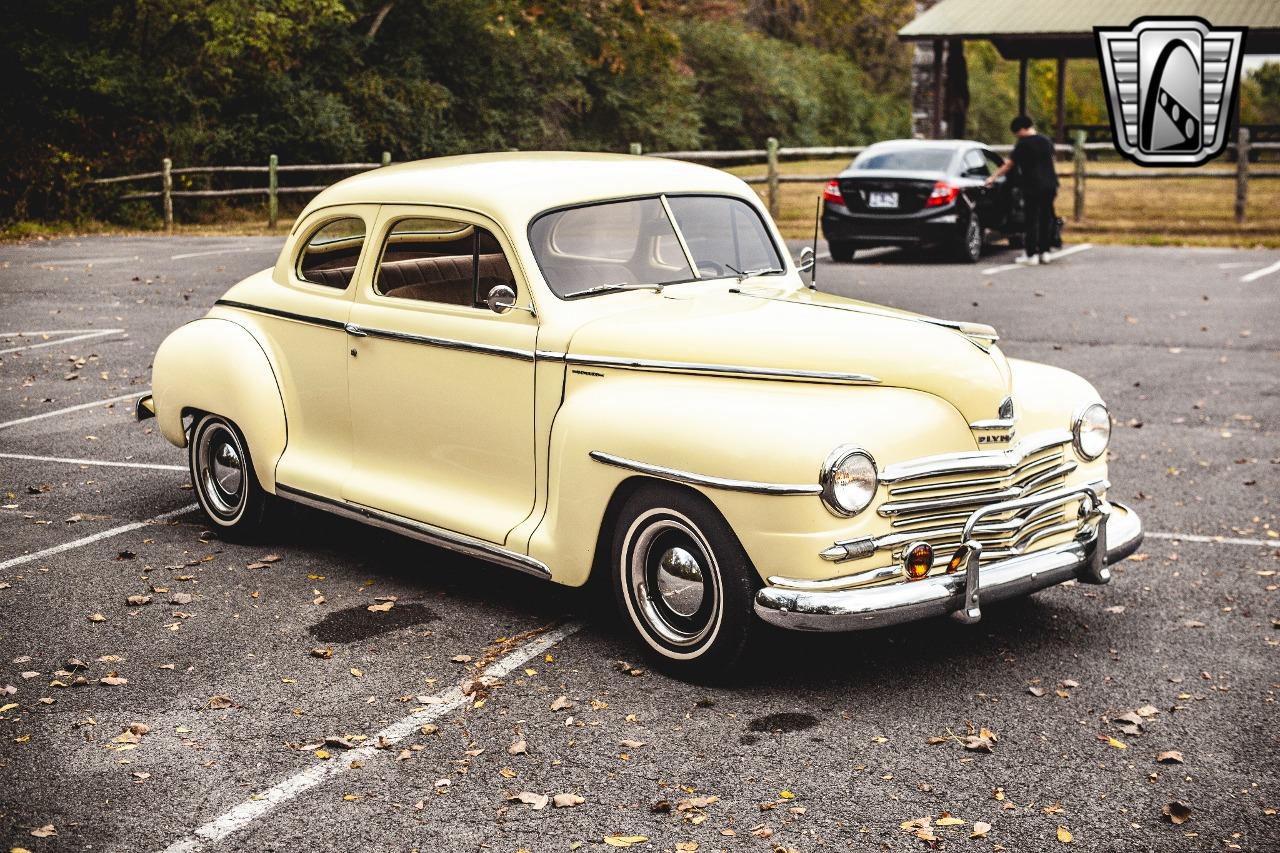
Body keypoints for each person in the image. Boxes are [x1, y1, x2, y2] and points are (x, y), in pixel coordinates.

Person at [985, 115, 1058, 265]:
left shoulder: (1023, 144)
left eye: (1017, 133)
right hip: (1050, 185)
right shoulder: (1046, 141)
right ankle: (1045, 252)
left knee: (1031, 220)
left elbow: (1009, 164)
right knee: (1046, 218)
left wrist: (993, 177)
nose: (1017, 136)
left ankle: (1031, 254)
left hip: (1032, 186)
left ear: (1023, 129)